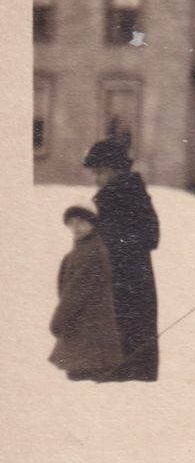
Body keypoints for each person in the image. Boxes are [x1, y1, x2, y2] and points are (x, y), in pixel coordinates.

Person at [84, 135, 160, 382]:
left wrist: (112, 247)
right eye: (93, 173)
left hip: (129, 281)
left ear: (116, 170)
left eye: (100, 172)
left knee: (129, 341)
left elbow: (151, 235)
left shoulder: (129, 195)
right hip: (121, 279)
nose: (95, 179)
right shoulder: (115, 195)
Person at [49, 206, 124, 382]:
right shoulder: (78, 253)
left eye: (81, 222)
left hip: (89, 340)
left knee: (84, 387)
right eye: (72, 223)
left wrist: (58, 321)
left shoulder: (92, 253)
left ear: (92, 224)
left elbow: (75, 293)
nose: (76, 227)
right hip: (83, 337)